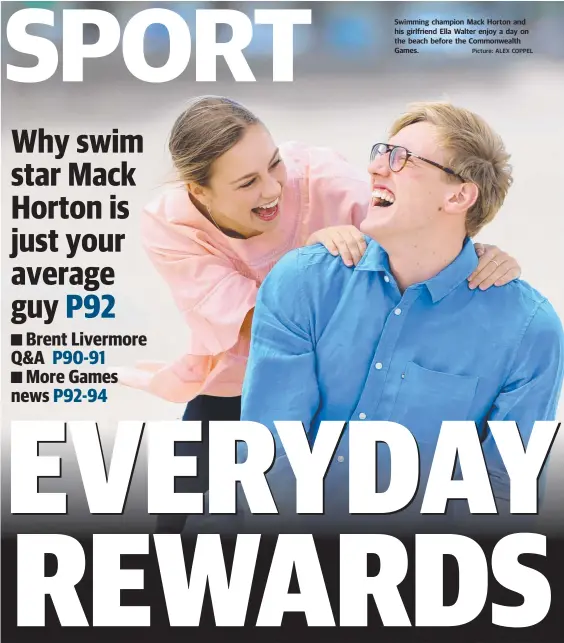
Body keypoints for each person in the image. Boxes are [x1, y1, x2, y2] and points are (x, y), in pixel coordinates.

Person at [118, 96, 522, 533]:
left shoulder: (321, 178)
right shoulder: (171, 223)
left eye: (274, 164)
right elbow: (260, 323)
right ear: (199, 191)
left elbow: (427, 228)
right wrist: (314, 258)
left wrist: (480, 256)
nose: (272, 189)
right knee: (172, 527)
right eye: (247, 182)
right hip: (241, 377)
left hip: (350, 374)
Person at [240, 101, 564, 528]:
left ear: (459, 195)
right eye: (379, 152)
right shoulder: (304, 283)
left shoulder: (528, 331)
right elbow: (266, 458)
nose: (375, 168)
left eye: (400, 158)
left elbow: (503, 495)